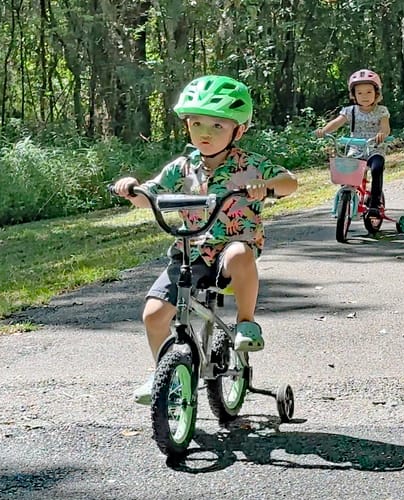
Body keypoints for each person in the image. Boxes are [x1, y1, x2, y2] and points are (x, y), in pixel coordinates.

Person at [112, 75, 298, 404]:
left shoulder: (249, 165)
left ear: (238, 131)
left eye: (216, 126)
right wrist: (132, 189)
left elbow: (290, 183)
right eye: (196, 124)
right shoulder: (182, 167)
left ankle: (245, 323)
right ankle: (165, 377)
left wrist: (265, 187)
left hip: (230, 253)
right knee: (154, 315)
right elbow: (150, 195)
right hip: (191, 252)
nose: (205, 134)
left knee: (240, 252)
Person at [315, 69, 391, 222]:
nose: (364, 96)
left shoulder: (381, 111)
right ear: (353, 94)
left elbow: (385, 126)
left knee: (376, 169)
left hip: (374, 148)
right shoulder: (350, 111)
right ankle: (348, 198)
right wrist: (323, 131)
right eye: (360, 93)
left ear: (376, 93)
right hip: (355, 148)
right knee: (347, 171)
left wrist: (382, 134)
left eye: (369, 92)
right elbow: (336, 123)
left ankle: (375, 204)